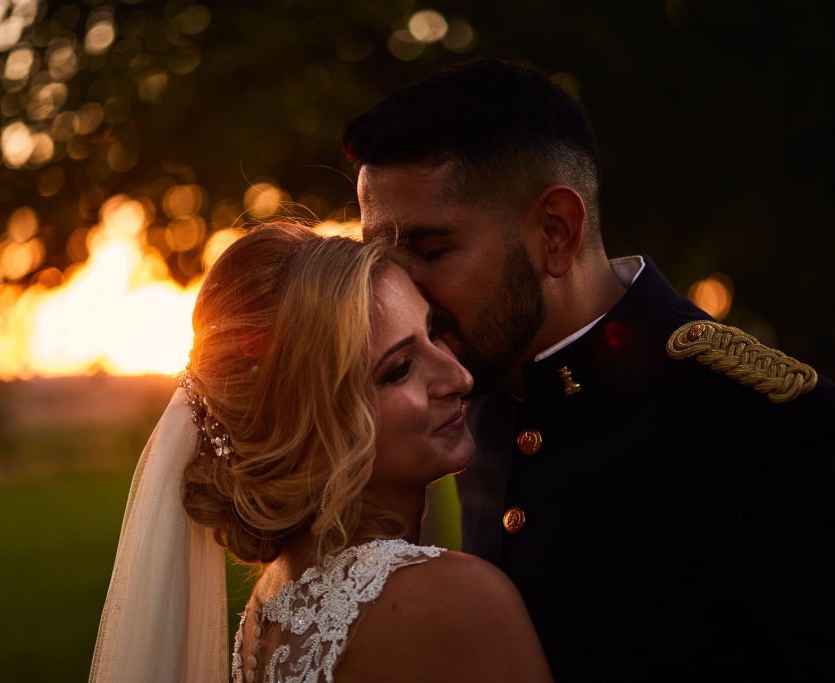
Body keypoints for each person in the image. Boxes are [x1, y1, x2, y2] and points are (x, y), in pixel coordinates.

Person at [343, 59, 835, 680]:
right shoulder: (461, 409)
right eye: (379, 258)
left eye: (430, 251)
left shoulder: (779, 436)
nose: (401, 291)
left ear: (556, 232)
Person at [90, 222, 553, 682]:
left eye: (434, 332)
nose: (460, 378)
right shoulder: (459, 600)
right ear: (311, 421)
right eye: (400, 369)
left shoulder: (271, 606)